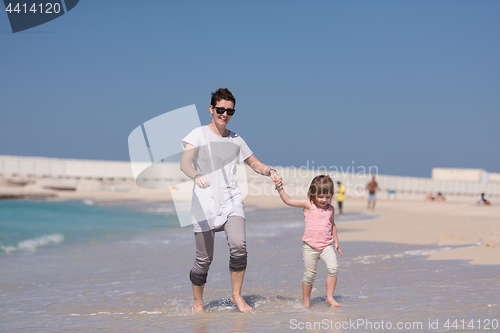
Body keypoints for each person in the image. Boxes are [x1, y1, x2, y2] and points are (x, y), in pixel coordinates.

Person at [180, 87, 282, 313]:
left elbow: (254, 163)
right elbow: (185, 163)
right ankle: (198, 302)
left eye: (229, 111)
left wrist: (270, 171)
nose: (224, 114)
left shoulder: (236, 139)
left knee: (238, 246)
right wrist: (196, 175)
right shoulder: (197, 135)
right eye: (220, 109)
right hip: (204, 203)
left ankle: (236, 295)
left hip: (231, 200)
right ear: (211, 109)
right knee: (203, 259)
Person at [276, 175, 343, 308]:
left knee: (333, 268)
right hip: (310, 247)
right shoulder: (308, 205)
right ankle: (306, 303)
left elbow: (332, 224)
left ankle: (329, 297)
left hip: (326, 246)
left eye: (328, 197)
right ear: (313, 194)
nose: (324, 200)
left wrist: (336, 242)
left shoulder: (330, 209)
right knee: (309, 276)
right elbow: (288, 200)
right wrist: (280, 188)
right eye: (321, 197)